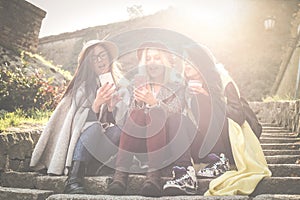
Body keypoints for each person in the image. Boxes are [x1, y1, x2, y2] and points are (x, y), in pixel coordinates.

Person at [163, 44, 271, 196]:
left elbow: (238, 116)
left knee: (203, 101)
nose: (186, 65)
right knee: (176, 119)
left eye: (190, 61)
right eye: (185, 61)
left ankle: (220, 161)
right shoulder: (185, 86)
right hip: (203, 146)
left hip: (228, 143)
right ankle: (185, 174)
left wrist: (209, 98)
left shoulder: (222, 80)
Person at [30, 40, 129, 194]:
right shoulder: (81, 87)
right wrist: (96, 105)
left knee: (118, 131)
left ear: (109, 58)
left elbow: (124, 124)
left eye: (102, 55)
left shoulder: (122, 87)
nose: (100, 60)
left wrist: (111, 108)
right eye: (94, 58)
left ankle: (96, 167)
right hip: (80, 143)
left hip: (101, 148)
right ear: (89, 64)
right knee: (94, 127)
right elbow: (74, 123)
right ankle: (74, 178)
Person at [107, 42, 185, 197]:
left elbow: (177, 111)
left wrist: (155, 103)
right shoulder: (137, 85)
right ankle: (120, 175)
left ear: (164, 62)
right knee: (136, 114)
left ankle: (153, 176)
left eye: (157, 58)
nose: (152, 62)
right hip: (140, 143)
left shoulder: (177, 85)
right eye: (148, 58)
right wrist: (133, 103)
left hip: (166, 143)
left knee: (156, 113)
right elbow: (129, 121)